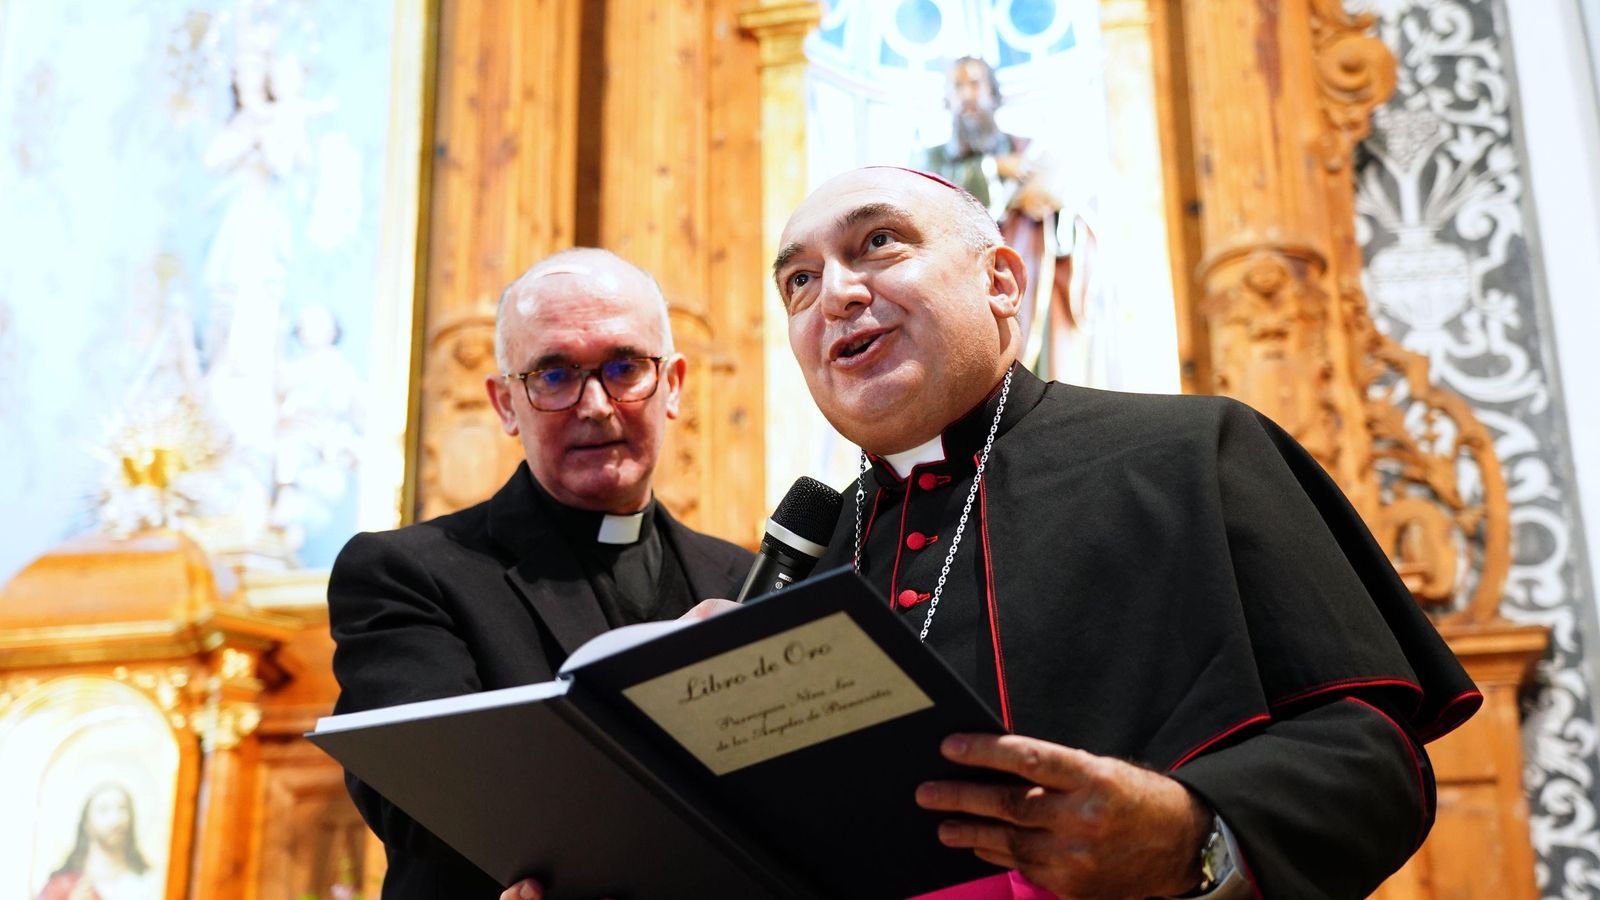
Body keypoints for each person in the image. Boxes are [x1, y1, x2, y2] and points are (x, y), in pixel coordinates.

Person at [762, 166, 1479, 899]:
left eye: (879, 242)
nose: (837, 296)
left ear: (1003, 282)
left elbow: (1374, 761)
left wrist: (1190, 837)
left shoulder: (1194, 452)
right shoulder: (812, 561)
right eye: (800, 282)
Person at [328, 248, 754, 898]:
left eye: (624, 367)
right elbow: (424, 799)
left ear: (672, 385)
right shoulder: (406, 574)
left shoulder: (744, 581)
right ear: (505, 402)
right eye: (554, 375)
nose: (595, 405)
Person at [918, 56, 1107, 386]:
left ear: (994, 93)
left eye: (975, 84)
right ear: (946, 98)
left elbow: (1067, 204)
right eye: (957, 86)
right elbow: (927, 207)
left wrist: (1051, 209)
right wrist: (993, 169)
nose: (967, 95)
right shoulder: (929, 159)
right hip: (960, 286)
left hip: (1028, 277)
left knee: (1039, 366)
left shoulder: (1026, 149)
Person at [36, 782, 157, 900]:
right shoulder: (63, 884)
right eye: (104, 810)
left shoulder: (148, 882)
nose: (115, 819)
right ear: (86, 823)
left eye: (122, 809)